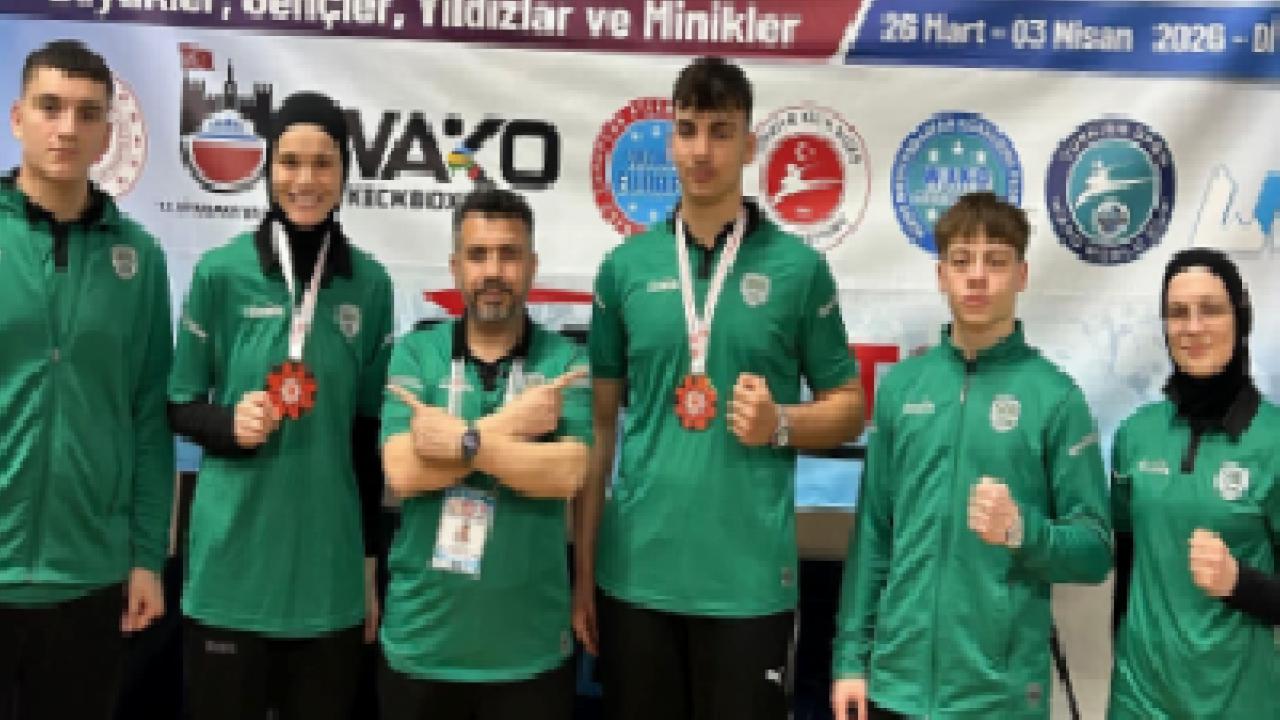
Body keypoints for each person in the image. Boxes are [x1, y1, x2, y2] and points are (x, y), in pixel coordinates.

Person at [577, 56, 865, 720]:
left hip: (748, 587)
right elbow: (599, 428)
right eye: (688, 130)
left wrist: (781, 423)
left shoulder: (799, 270)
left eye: (721, 130)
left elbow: (849, 409)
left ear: (750, 144)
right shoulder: (624, 268)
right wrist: (584, 573)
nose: (702, 150)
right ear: (670, 141)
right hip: (635, 578)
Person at [830, 192, 1112, 719]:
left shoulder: (1057, 398)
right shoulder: (903, 388)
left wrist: (1023, 531)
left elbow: (1095, 551)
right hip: (895, 687)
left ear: (1022, 275)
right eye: (961, 261)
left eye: (996, 261)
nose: (977, 277)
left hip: (998, 698)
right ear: (941, 275)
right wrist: (850, 662)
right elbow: (873, 535)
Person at [167, 91, 391, 720]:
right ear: (268, 167)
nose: (305, 180)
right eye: (290, 162)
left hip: (328, 579)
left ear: (345, 172)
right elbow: (178, 404)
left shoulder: (371, 285)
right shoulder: (219, 273)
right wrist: (226, 424)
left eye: (323, 163)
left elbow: (366, 439)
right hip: (230, 575)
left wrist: (367, 569)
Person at [0, 39, 174, 719]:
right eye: (50, 107)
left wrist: (147, 557)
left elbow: (149, 417)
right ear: (18, 118)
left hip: (91, 578)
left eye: (87, 113)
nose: (67, 128)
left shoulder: (141, 258)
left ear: (107, 133)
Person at [379, 187, 591, 720]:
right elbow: (402, 471)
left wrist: (457, 442)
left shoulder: (566, 362)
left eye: (509, 254)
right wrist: (509, 427)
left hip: (529, 653)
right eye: (478, 255)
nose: (493, 271)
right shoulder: (415, 353)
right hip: (423, 645)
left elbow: (566, 473)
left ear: (532, 265)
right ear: (455, 267)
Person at [1108, 248, 1280, 718]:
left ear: (1241, 318)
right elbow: (1126, 573)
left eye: (1211, 309)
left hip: (1238, 704)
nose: (1193, 327)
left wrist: (1241, 583)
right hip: (1138, 702)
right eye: (1178, 313)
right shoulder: (1135, 435)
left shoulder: (1274, 441)